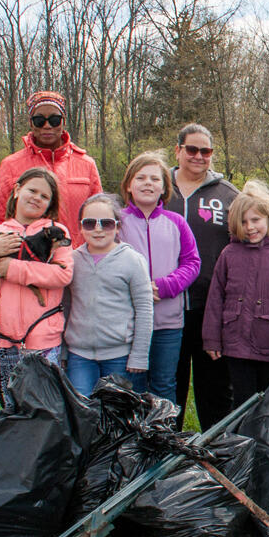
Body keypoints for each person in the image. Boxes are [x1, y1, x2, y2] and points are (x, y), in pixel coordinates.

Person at [0, 168, 74, 406]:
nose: (36, 198)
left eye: (44, 196)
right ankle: (17, 443)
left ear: (50, 204)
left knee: (47, 406)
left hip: (43, 338)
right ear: (17, 191)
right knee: (12, 404)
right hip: (4, 338)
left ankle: (46, 444)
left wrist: (12, 269)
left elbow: (63, 274)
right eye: (32, 190)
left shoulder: (56, 233)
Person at [165, 123, 238, 429]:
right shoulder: (159, 188)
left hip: (211, 308)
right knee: (170, 388)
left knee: (215, 391)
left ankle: (217, 456)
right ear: (178, 150)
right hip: (165, 308)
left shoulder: (228, 194)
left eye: (205, 151)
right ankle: (166, 454)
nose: (198, 156)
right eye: (191, 149)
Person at [203, 181, 269, 406]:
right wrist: (211, 338)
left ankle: (263, 441)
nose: (250, 227)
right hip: (235, 343)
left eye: (255, 220)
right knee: (241, 401)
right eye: (244, 222)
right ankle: (241, 440)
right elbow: (215, 298)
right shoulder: (229, 253)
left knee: (267, 402)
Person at [118, 152, 200, 404]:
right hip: (128, 323)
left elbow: (192, 262)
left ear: (164, 187)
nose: (147, 183)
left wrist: (165, 287)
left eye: (155, 179)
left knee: (165, 384)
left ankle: (165, 440)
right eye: (140, 177)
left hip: (168, 323)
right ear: (129, 185)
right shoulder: (117, 223)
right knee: (134, 385)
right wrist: (138, 291)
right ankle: (135, 441)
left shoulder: (176, 223)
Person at [0, 91, 102, 247]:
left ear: (63, 121)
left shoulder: (86, 164)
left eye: (54, 120)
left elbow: (100, 217)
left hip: (78, 259)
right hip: (27, 261)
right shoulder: (11, 165)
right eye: (39, 120)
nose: (47, 126)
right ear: (31, 123)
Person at [64, 194, 154, 397]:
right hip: (79, 355)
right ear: (80, 226)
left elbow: (144, 310)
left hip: (119, 355)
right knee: (82, 407)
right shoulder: (73, 261)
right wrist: (63, 351)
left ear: (117, 226)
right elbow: (66, 307)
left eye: (106, 223)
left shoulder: (132, 260)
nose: (97, 229)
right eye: (89, 223)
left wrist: (139, 355)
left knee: (115, 410)